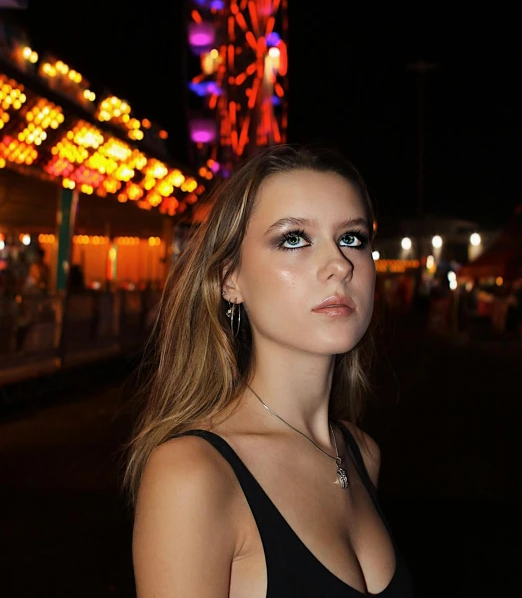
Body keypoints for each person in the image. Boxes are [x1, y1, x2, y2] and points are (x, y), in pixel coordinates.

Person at [125, 144, 414, 597]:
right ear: (229, 279)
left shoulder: (360, 454)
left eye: (353, 238)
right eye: (294, 238)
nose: (340, 264)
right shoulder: (193, 473)